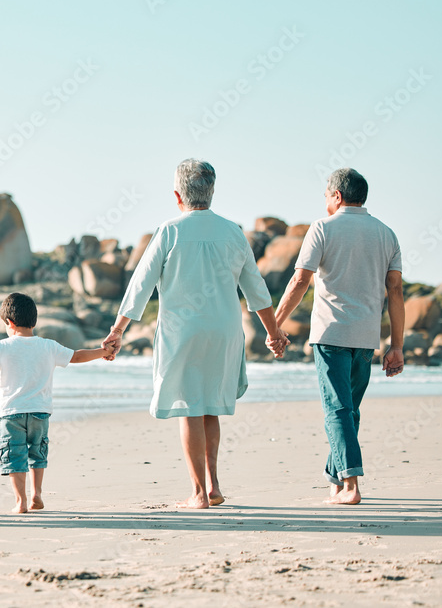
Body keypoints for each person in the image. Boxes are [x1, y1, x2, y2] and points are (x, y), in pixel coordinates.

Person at [102, 159, 288, 509]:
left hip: (182, 333)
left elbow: (140, 284)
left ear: (177, 196)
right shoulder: (233, 231)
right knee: (210, 407)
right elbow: (256, 289)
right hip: (224, 332)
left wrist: (118, 330)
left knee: (190, 407)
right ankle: (215, 485)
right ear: (212, 191)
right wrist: (274, 332)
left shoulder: (170, 231)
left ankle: (198, 493)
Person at [274, 167, 404, 506]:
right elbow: (396, 291)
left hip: (330, 333)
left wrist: (275, 325)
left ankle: (351, 485)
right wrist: (397, 346)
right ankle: (336, 479)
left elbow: (300, 281)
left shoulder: (322, 227)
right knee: (348, 410)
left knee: (338, 409)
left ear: (336, 195)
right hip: (366, 336)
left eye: (325, 196)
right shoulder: (386, 233)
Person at [0, 293, 111, 514]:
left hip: (11, 413)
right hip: (40, 412)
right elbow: (77, 356)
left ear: (10, 323)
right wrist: (103, 352)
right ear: (34, 321)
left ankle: (20, 502)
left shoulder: (2, 347)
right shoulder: (49, 346)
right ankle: (37, 495)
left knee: (14, 455)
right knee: (38, 453)